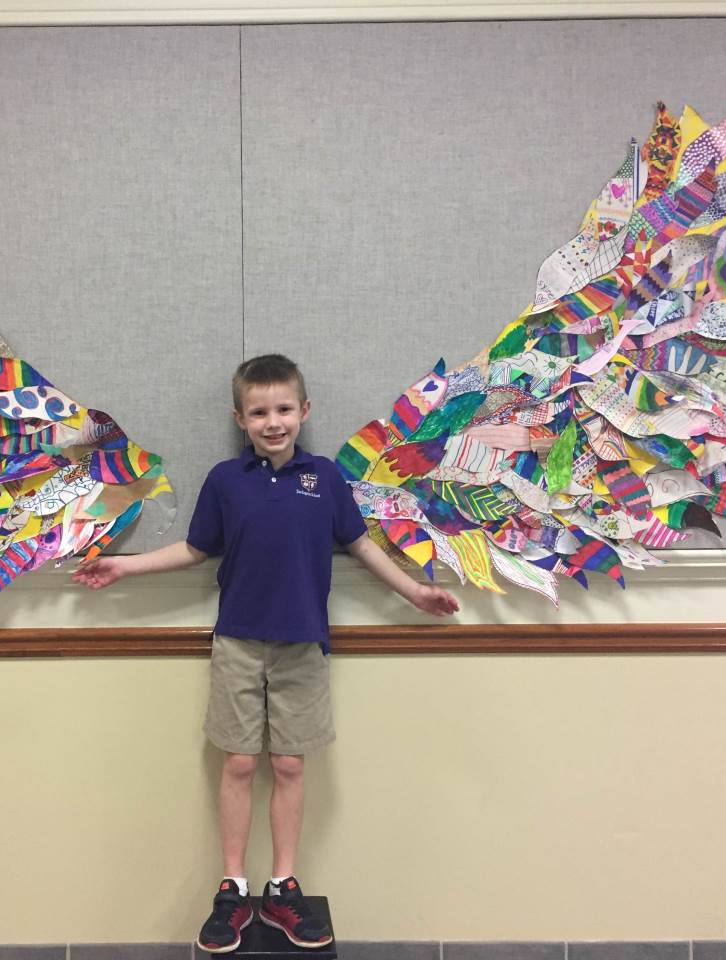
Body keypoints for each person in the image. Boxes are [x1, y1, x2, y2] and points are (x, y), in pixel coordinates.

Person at [72, 354, 459, 953]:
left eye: (283, 409)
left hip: (303, 644)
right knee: (239, 765)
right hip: (238, 642)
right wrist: (126, 565)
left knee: (289, 766)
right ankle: (233, 886)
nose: (272, 422)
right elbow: (196, 550)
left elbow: (360, 545)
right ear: (240, 418)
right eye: (259, 412)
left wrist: (414, 591)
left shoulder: (325, 478)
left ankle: (282, 886)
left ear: (304, 411)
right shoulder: (227, 480)